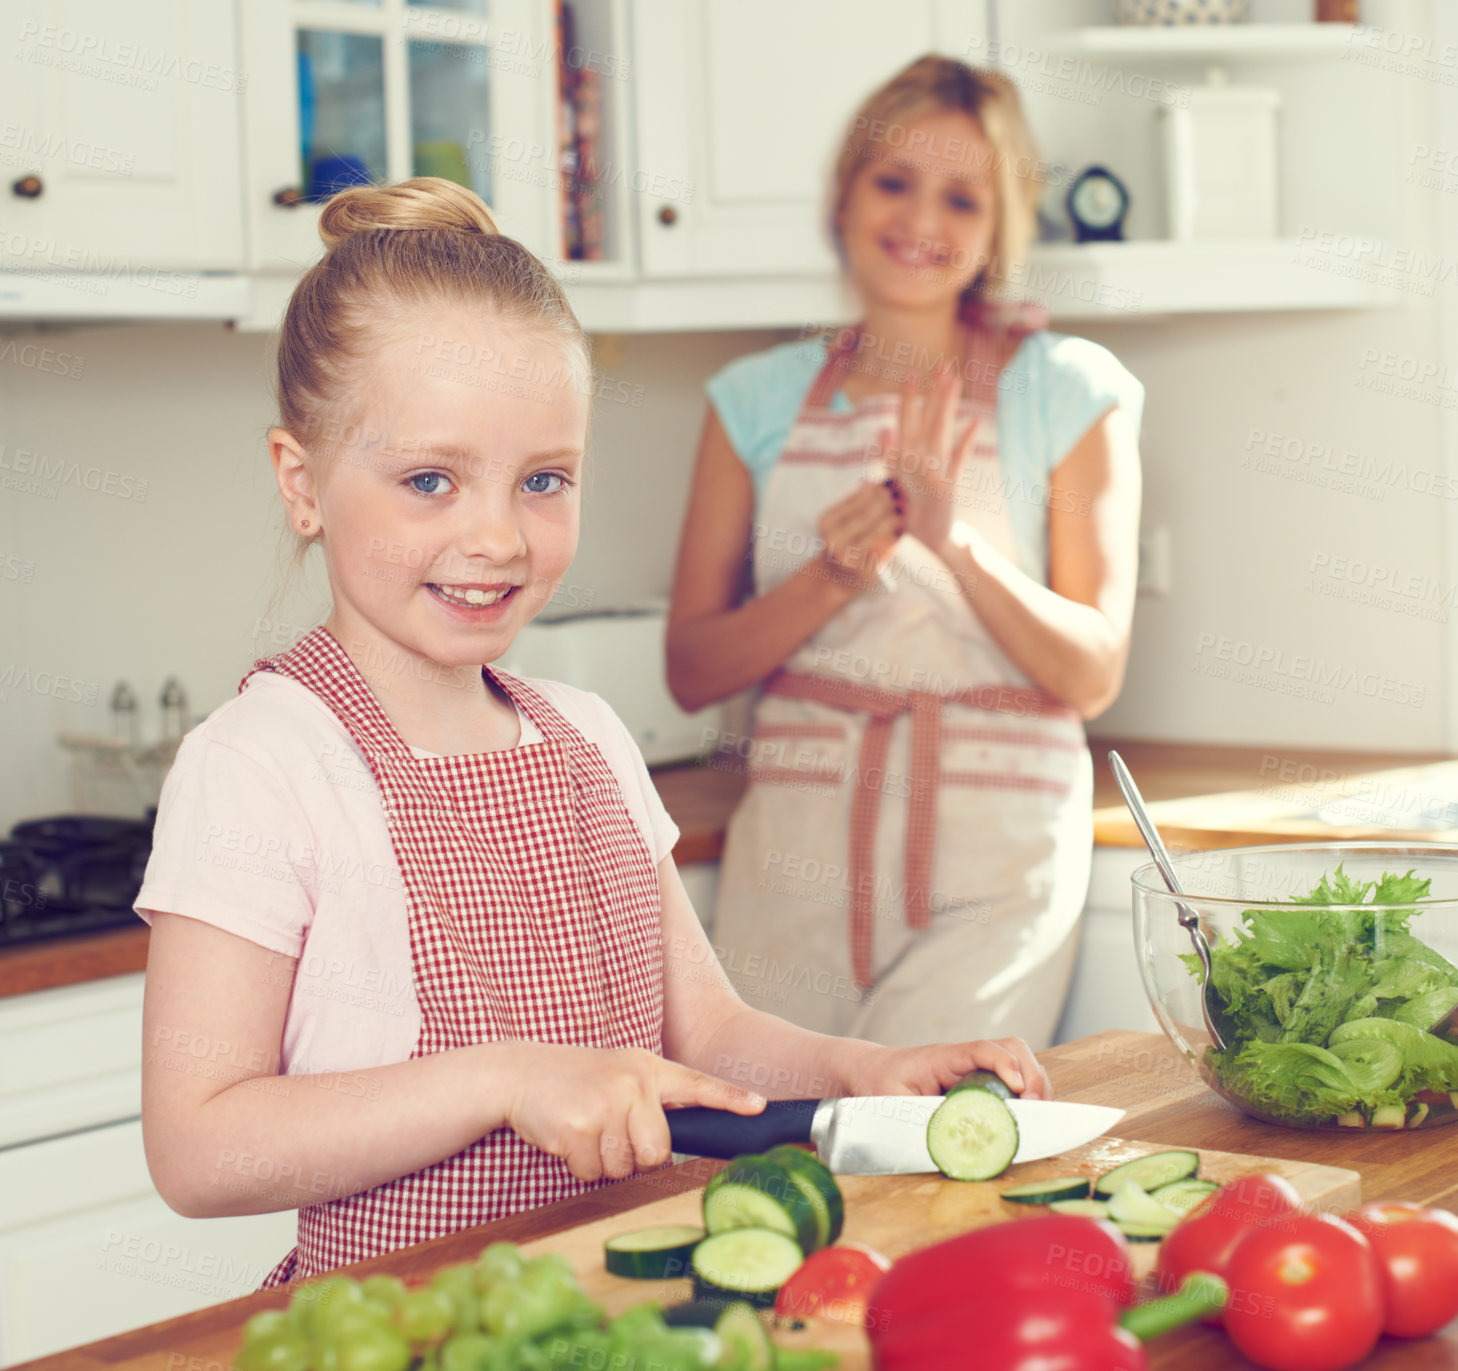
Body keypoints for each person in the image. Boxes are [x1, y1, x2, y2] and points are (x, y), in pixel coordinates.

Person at [135, 176, 1052, 1286]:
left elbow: (707, 1036)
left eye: (543, 481)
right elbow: (197, 1146)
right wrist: (506, 1079)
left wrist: (863, 1069)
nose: (497, 536)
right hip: (416, 1337)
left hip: (640, 1310)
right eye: (430, 480)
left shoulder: (587, 739)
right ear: (302, 483)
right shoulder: (260, 765)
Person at [667, 56, 1143, 1049]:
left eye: (962, 197)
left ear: (997, 230)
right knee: (777, 1156)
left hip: (993, 862)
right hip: (796, 853)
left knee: (934, 1154)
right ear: (844, 193)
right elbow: (692, 669)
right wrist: (832, 577)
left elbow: (1092, 672)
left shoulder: (1066, 389)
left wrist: (949, 541)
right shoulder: (752, 398)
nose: (921, 221)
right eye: (893, 181)